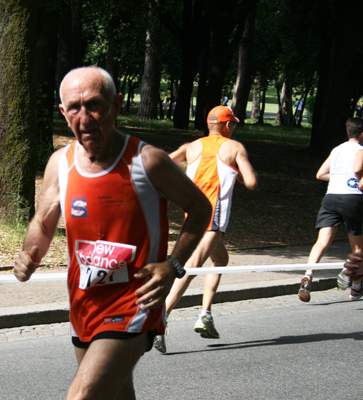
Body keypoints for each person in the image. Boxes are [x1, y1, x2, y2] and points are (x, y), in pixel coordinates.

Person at [14, 66, 211, 399]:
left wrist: (173, 266)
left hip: (135, 302)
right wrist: (29, 254)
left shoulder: (147, 161)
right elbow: (43, 221)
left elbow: (201, 209)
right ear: (63, 114)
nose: (85, 117)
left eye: (94, 105)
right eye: (74, 108)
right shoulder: (60, 164)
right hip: (84, 302)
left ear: (116, 105)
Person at [153, 105, 258, 353]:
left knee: (221, 258)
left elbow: (163, 162)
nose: (233, 128)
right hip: (214, 216)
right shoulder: (235, 147)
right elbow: (251, 183)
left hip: (193, 214)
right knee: (192, 265)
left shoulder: (192, 146)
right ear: (228, 125)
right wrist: (238, 174)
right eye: (233, 124)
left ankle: (205, 314)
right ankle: (161, 316)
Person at [298, 117, 363, 302]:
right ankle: (356, 287)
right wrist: (355, 178)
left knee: (321, 242)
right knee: (358, 247)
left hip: (331, 197)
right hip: (352, 198)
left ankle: (308, 276)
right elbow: (358, 168)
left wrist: (338, 178)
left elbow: (320, 174)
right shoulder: (361, 150)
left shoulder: (337, 149)